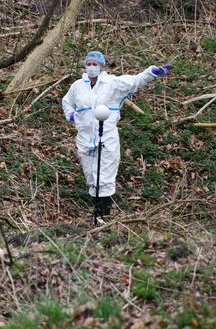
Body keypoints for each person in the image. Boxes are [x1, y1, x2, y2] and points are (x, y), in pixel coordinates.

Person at [62, 50, 171, 221]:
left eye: (95, 64)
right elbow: (67, 101)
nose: (91, 67)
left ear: (101, 66)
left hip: (106, 138)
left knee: (104, 178)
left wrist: (151, 72)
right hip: (84, 138)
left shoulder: (112, 83)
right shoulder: (77, 86)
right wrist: (70, 115)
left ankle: (102, 216)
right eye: (89, 64)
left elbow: (135, 81)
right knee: (91, 176)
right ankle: (96, 215)